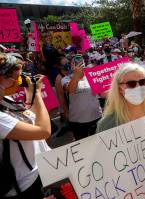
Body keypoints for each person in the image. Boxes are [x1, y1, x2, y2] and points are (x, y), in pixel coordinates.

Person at [0, 53, 52, 199]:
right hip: (23, 187)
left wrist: (30, 94)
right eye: (17, 78)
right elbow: (44, 131)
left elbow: (30, 118)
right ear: (3, 78)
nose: (19, 81)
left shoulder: (4, 99)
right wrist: (37, 95)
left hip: (38, 170)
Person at [97, 62, 145, 131]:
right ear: (119, 89)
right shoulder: (107, 125)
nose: (138, 87)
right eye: (131, 84)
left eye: (143, 82)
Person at [61, 54, 102, 140]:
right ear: (72, 66)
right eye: (75, 63)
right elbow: (70, 89)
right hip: (77, 121)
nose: (79, 64)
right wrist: (76, 75)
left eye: (81, 62)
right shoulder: (66, 79)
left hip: (96, 117)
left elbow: (102, 93)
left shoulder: (92, 75)